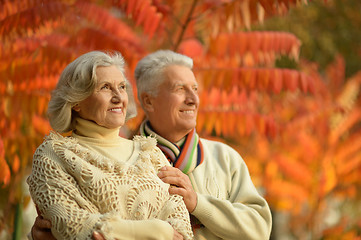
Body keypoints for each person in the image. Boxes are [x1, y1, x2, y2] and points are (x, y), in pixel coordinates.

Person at [31, 50, 272, 240]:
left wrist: (198, 203)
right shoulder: (64, 154)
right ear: (147, 100)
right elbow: (77, 226)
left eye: (195, 89)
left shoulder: (223, 157)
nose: (193, 99)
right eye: (180, 89)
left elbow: (260, 228)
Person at [27, 51, 193, 240]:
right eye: (105, 87)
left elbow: (183, 232)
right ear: (76, 102)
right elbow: (73, 226)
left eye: (121, 87)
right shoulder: (52, 155)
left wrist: (112, 230)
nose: (118, 97)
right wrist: (159, 231)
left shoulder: (151, 153)